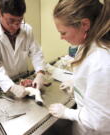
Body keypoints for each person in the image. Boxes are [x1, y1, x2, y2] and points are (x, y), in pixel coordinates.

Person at [48, 0, 110, 135]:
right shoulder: (87, 44)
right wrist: (77, 83)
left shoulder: (101, 61)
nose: (61, 37)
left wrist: (66, 112)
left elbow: (100, 121)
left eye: (63, 33)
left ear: (84, 24)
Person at [0, 0, 45, 98]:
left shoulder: (27, 30)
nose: (16, 26)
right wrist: (11, 86)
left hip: (24, 77)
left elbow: (36, 53)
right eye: (11, 21)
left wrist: (40, 73)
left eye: (20, 20)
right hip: (5, 82)